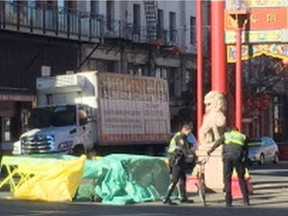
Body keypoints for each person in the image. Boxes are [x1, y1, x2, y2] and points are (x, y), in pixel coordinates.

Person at [207, 127, 250, 207]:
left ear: (231, 131)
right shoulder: (243, 136)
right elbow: (246, 150)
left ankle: (228, 201)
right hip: (238, 158)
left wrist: (210, 150)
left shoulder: (226, 135)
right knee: (241, 178)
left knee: (227, 179)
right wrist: (245, 160)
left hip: (227, 157)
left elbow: (217, 143)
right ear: (238, 131)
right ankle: (246, 200)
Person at [163, 124, 196, 205]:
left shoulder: (183, 137)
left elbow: (188, 146)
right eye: (189, 132)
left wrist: (193, 152)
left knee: (183, 178)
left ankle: (183, 197)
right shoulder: (179, 137)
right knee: (175, 179)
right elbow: (184, 149)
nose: (189, 134)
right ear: (185, 130)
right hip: (175, 160)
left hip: (180, 160)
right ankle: (166, 198)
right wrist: (191, 156)